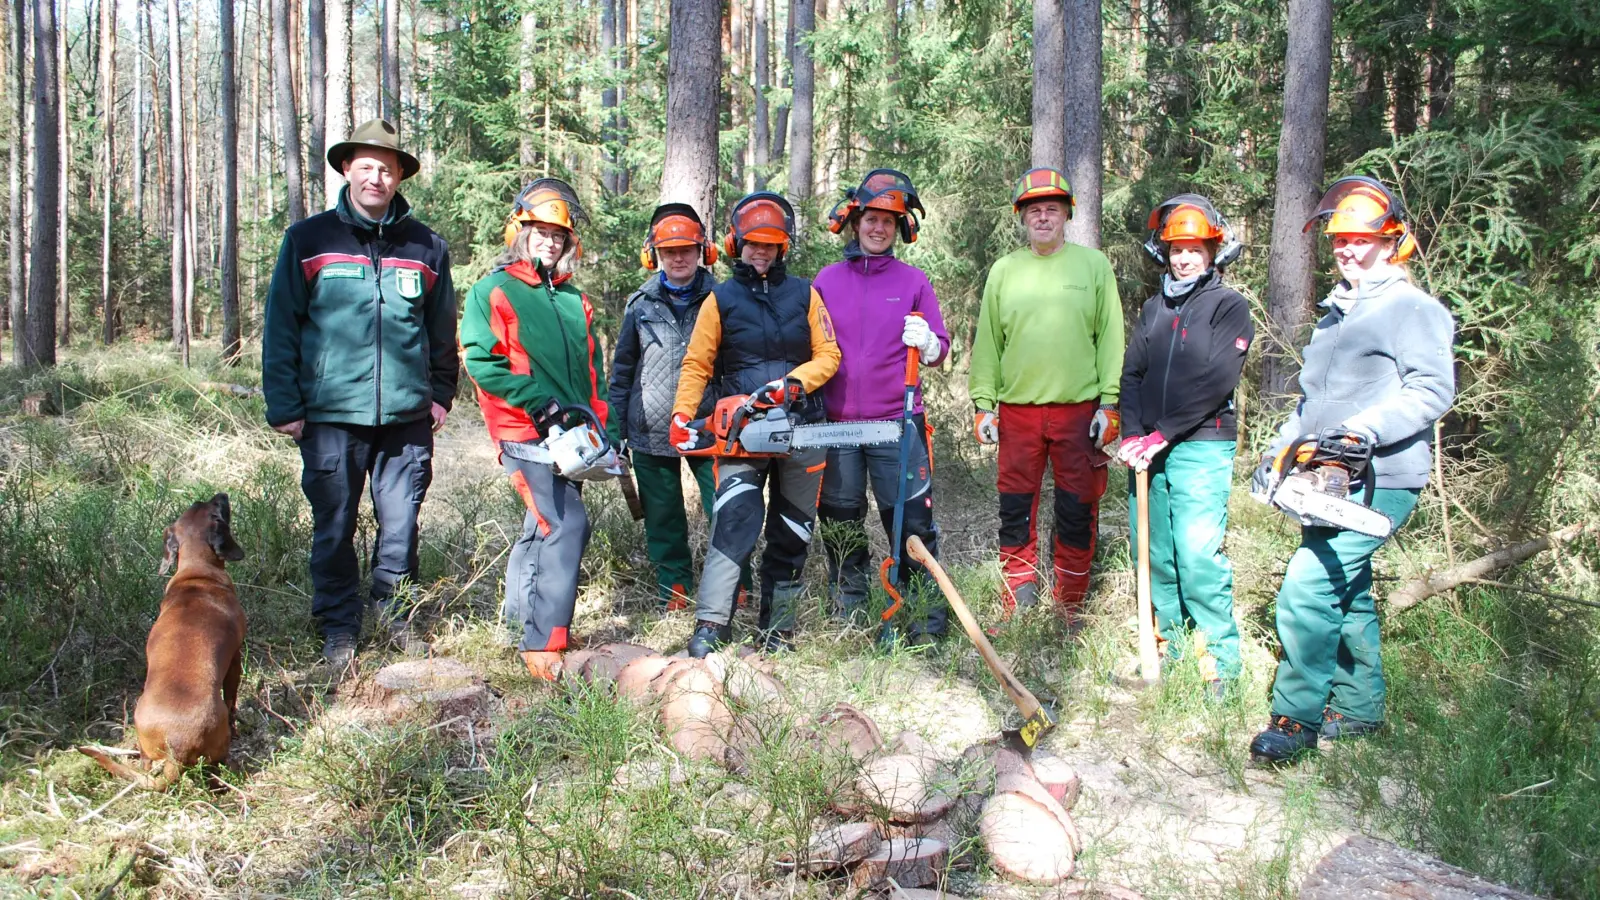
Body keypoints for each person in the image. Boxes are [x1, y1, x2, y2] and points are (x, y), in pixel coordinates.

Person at [1248, 175, 1455, 763]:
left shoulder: (1412, 308)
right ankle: (1360, 706)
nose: (1348, 249)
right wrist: (1280, 450)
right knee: (1349, 589)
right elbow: (1312, 406)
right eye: (1340, 240)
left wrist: (1366, 428)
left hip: (1382, 476)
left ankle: (1295, 718)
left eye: (1362, 239)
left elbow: (1434, 388)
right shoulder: (1334, 314)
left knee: (1310, 585)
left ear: (1393, 242)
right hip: (1324, 478)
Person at [261, 119, 457, 671]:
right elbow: (282, 325)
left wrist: (440, 393)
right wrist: (285, 406)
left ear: (399, 178)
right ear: (347, 169)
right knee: (334, 525)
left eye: (387, 168)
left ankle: (396, 617)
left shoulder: (427, 246)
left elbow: (442, 330)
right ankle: (339, 628)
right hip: (329, 417)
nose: (376, 176)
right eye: (366, 166)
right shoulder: (308, 239)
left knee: (401, 525)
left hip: (406, 417)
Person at [458, 178, 618, 682]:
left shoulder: (575, 301)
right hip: (523, 431)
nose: (550, 241)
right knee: (565, 524)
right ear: (519, 232)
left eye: (558, 235)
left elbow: (591, 370)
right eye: (540, 232)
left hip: (572, 434)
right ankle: (545, 643)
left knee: (539, 527)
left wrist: (599, 422)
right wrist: (536, 402)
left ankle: (514, 626)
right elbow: (482, 363)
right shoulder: (493, 291)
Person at [669, 191, 842, 657]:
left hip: (802, 426)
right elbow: (697, 365)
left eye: (770, 245)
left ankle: (778, 628)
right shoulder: (719, 299)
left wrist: (793, 384)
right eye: (753, 244)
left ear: (782, 246)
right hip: (741, 433)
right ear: (736, 244)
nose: (761, 253)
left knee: (793, 528)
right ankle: (712, 623)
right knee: (734, 521)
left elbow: (829, 354)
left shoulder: (806, 293)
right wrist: (683, 414)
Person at [969, 168, 1124, 626]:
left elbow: (1111, 336)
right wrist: (983, 405)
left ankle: (1070, 600)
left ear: (1066, 215)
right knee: (1015, 506)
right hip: (1017, 412)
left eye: (1051, 209)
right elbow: (987, 344)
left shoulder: (1093, 266)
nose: (1042, 217)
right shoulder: (1004, 271)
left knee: (1078, 506)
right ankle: (1019, 594)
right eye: (1033, 210)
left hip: (1079, 410)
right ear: (1022, 218)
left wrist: (1110, 404)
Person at [1117, 194, 1254, 696]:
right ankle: (1169, 648)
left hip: (1201, 444)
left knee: (1197, 554)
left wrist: (1163, 432)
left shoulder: (1229, 307)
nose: (1184, 258)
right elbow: (1132, 373)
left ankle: (1219, 663)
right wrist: (1133, 433)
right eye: (1177, 249)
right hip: (1148, 447)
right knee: (1153, 552)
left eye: (1195, 248)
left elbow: (1217, 381)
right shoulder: (1154, 308)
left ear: (1213, 251)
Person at [814, 169, 951, 643]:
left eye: (888, 222)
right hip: (838, 427)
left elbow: (941, 347)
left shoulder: (913, 282)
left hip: (898, 422)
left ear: (900, 229)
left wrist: (930, 343)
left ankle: (925, 620)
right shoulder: (827, 281)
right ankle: (849, 613)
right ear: (856, 222)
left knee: (912, 522)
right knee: (840, 519)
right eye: (871, 218)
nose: (878, 228)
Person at [608, 203, 751, 610]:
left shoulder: (723, 298)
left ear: (703, 251)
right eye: (669, 251)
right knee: (663, 515)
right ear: (655, 255)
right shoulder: (640, 304)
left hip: (710, 425)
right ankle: (675, 588)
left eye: (686, 249)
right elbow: (623, 371)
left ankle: (735, 584)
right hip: (650, 426)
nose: (678, 258)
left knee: (727, 507)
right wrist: (616, 429)